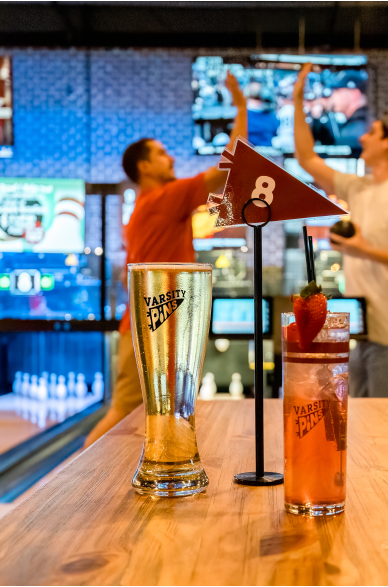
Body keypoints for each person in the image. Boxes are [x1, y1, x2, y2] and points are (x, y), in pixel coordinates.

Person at [84, 72, 247, 448]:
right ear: (143, 167)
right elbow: (231, 164)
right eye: (160, 153)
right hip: (148, 326)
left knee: (140, 414)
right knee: (123, 413)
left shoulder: (148, 207)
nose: (170, 157)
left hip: (153, 322)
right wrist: (239, 106)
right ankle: (63, 485)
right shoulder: (162, 199)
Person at [291, 63, 388, 398]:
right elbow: (306, 157)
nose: (361, 136)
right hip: (362, 331)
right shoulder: (359, 188)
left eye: (372, 132)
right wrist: (298, 99)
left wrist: (363, 249)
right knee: (360, 424)